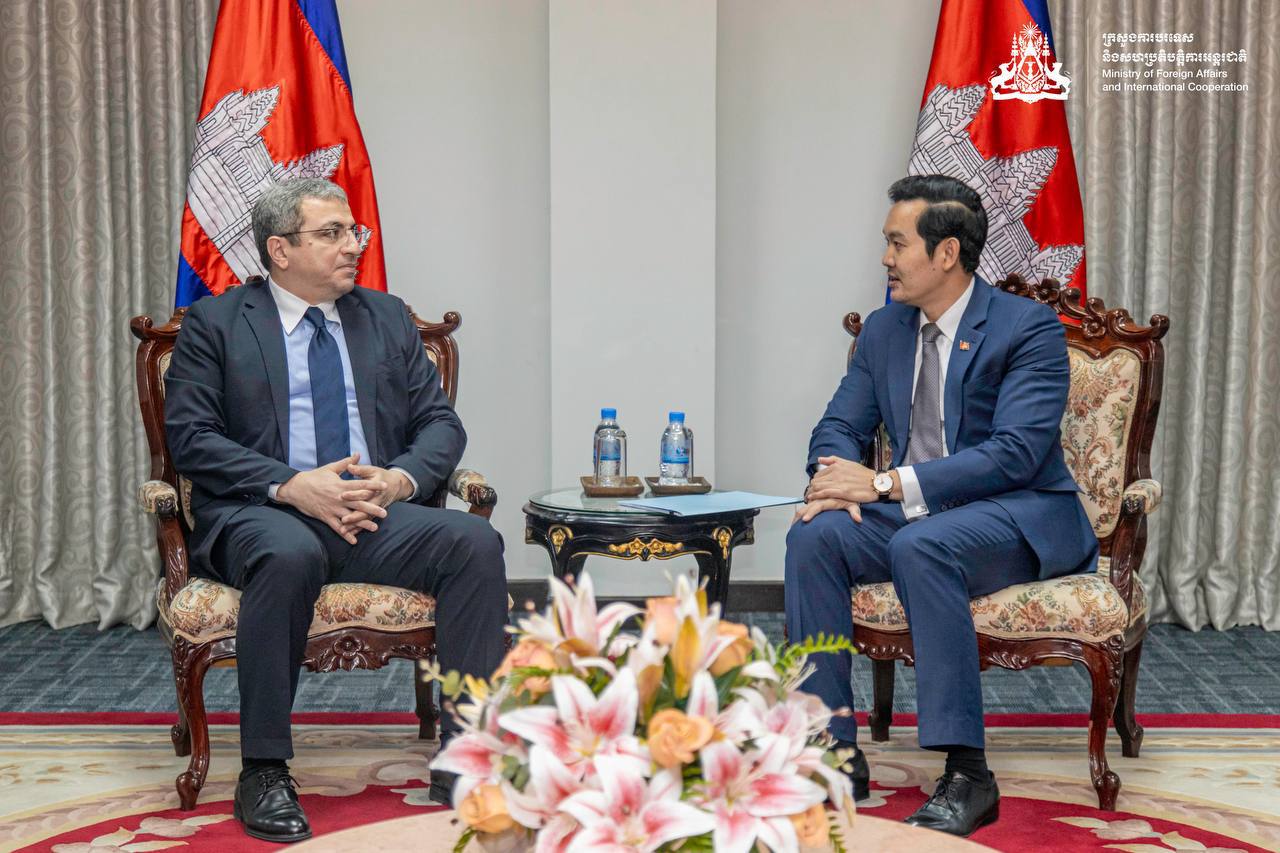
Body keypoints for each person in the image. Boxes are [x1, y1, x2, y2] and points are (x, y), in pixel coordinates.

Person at [165, 178, 508, 843]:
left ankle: (466, 753)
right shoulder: (217, 324)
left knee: (473, 542)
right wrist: (293, 486)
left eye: (354, 232)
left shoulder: (385, 317)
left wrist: (398, 480)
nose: (353, 245)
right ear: (280, 249)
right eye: (332, 233)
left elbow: (440, 424)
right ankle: (264, 769)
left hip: (370, 511)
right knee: (289, 552)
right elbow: (193, 438)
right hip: (261, 513)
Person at [785, 174, 1098, 837]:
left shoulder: (1027, 327)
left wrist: (881, 485)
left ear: (947, 252)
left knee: (920, 545)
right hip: (921, 513)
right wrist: (832, 477)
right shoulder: (884, 330)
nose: (885, 258)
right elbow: (837, 424)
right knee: (813, 536)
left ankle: (969, 773)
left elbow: (1015, 453)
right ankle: (829, 751)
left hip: (1016, 512)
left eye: (897, 243)